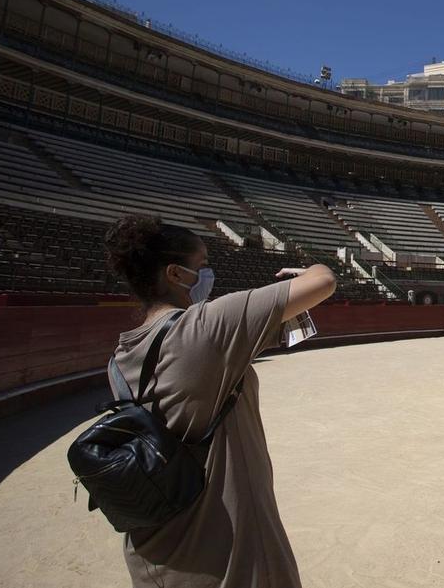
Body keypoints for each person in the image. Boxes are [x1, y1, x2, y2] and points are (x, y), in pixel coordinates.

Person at [103, 215, 337, 587]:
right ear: (176, 275)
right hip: (228, 558)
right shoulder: (205, 327)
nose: (209, 273)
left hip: (158, 556)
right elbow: (323, 282)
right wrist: (311, 267)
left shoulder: (120, 357)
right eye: (203, 265)